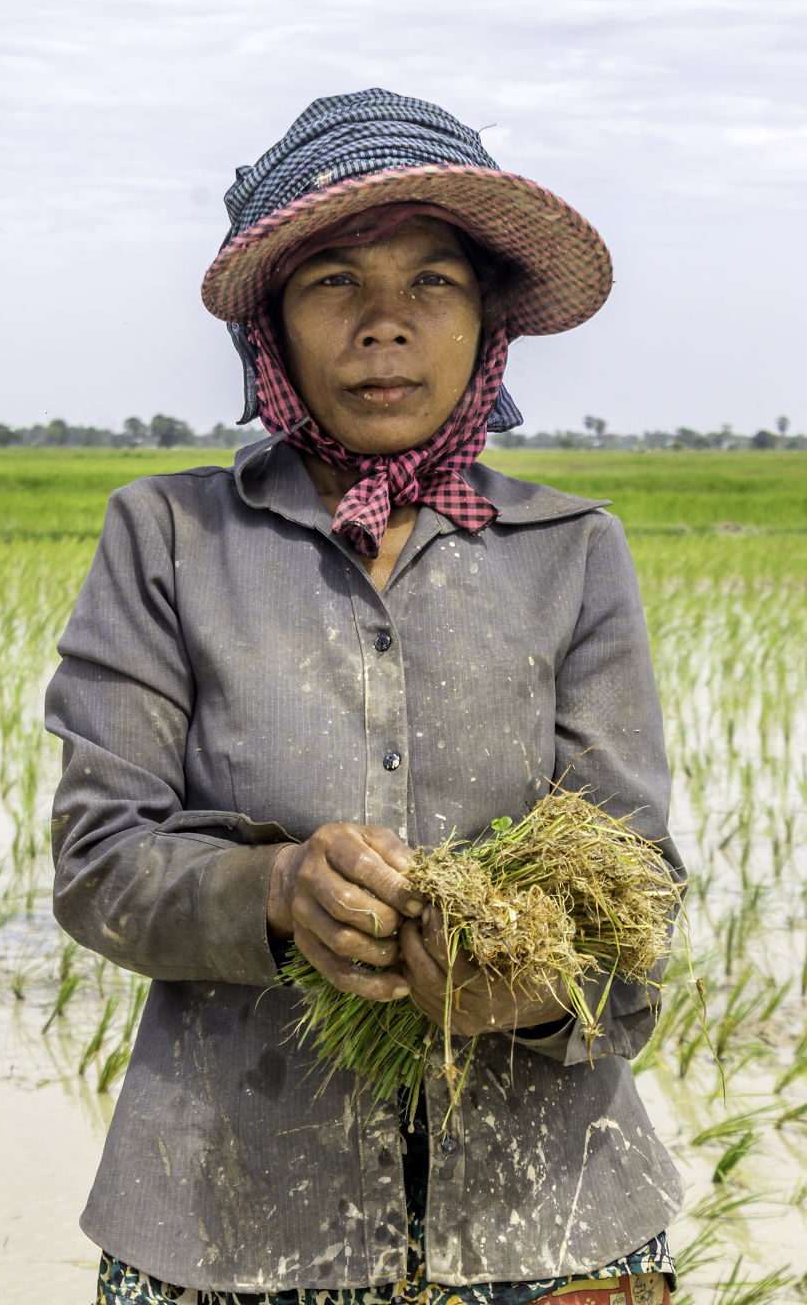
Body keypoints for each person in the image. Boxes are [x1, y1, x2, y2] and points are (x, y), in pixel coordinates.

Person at [46, 88, 686, 1305]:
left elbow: (635, 884)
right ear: (271, 334)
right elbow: (97, 863)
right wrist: (277, 888)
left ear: (486, 320)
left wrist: (533, 982)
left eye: (431, 284)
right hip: (227, 1227)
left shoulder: (571, 550)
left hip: (551, 1234)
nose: (384, 325)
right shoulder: (168, 537)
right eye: (334, 282)